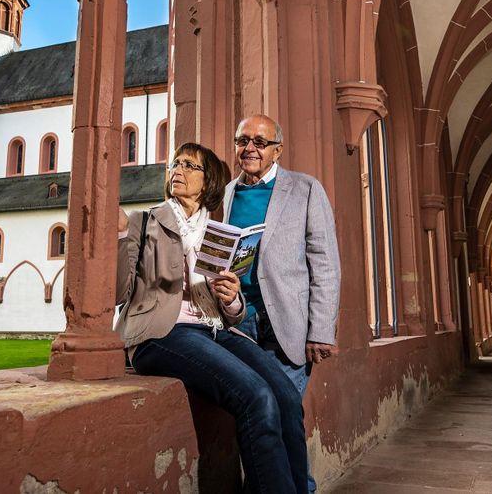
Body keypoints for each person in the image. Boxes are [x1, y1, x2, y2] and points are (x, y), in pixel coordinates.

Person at [116, 142, 308, 493]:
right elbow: (116, 293)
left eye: (190, 165)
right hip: (165, 332)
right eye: (176, 163)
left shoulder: (218, 233)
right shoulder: (145, 222)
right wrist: (117, 238)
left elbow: (232, 315)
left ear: (208, 183)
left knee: (285, 396)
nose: (178, 169)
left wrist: (232, 297)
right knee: (256, 396)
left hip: (216, 330)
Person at [223, 114, 342, 492]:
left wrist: (320, 329)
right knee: (256, 413)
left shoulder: (305, 189)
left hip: (288, 325)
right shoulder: (227, 193)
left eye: (260, 142)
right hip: (238, 322)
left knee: (284, 414)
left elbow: (325, 262)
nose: (250, 148)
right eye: (243, 140)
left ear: (278, 149)